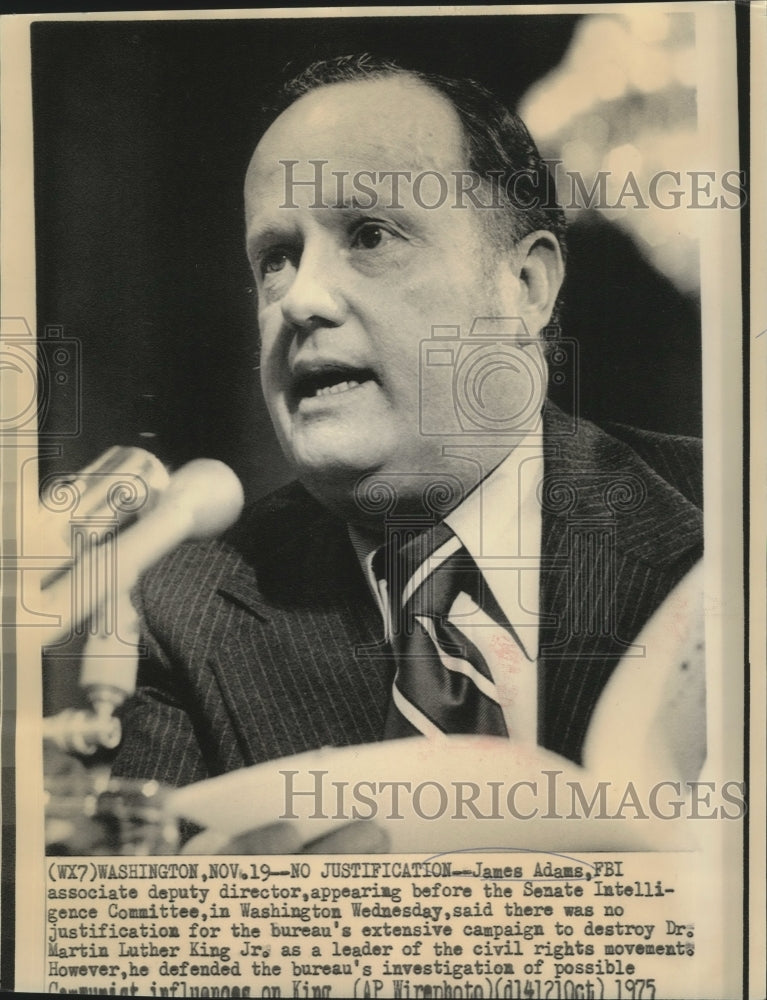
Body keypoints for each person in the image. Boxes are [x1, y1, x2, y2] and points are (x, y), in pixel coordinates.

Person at [110, 55, 703, 847]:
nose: (300, 299)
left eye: (369, 235)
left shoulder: (728, 524)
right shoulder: (171, 612)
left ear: (524, 285)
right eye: (274, 258)